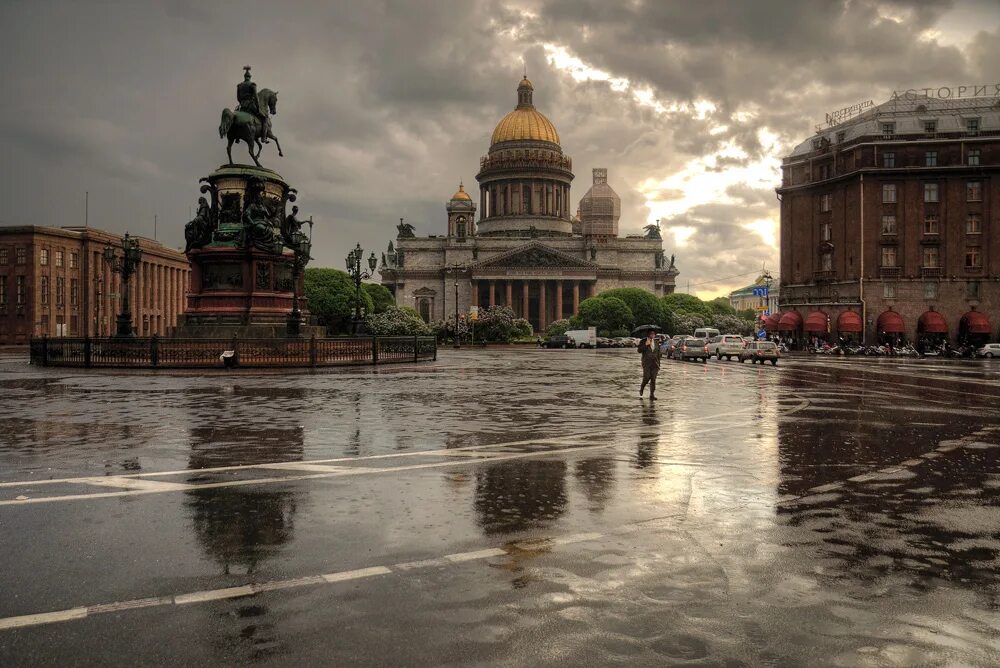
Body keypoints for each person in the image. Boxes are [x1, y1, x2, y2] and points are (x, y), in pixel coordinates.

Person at [637, 329, 662, 400]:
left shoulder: (656, 342)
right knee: (647, 378)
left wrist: (659, 362)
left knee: (653, 379)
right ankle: (642, 387)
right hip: (647, 364)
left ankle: (652, 395)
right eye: (651, 333)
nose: (652, 335)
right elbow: (639, 350)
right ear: (648, 334)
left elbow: (658, 353)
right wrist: (646, 344)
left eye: (653, 334)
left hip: (655, 364)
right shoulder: (643, 341)